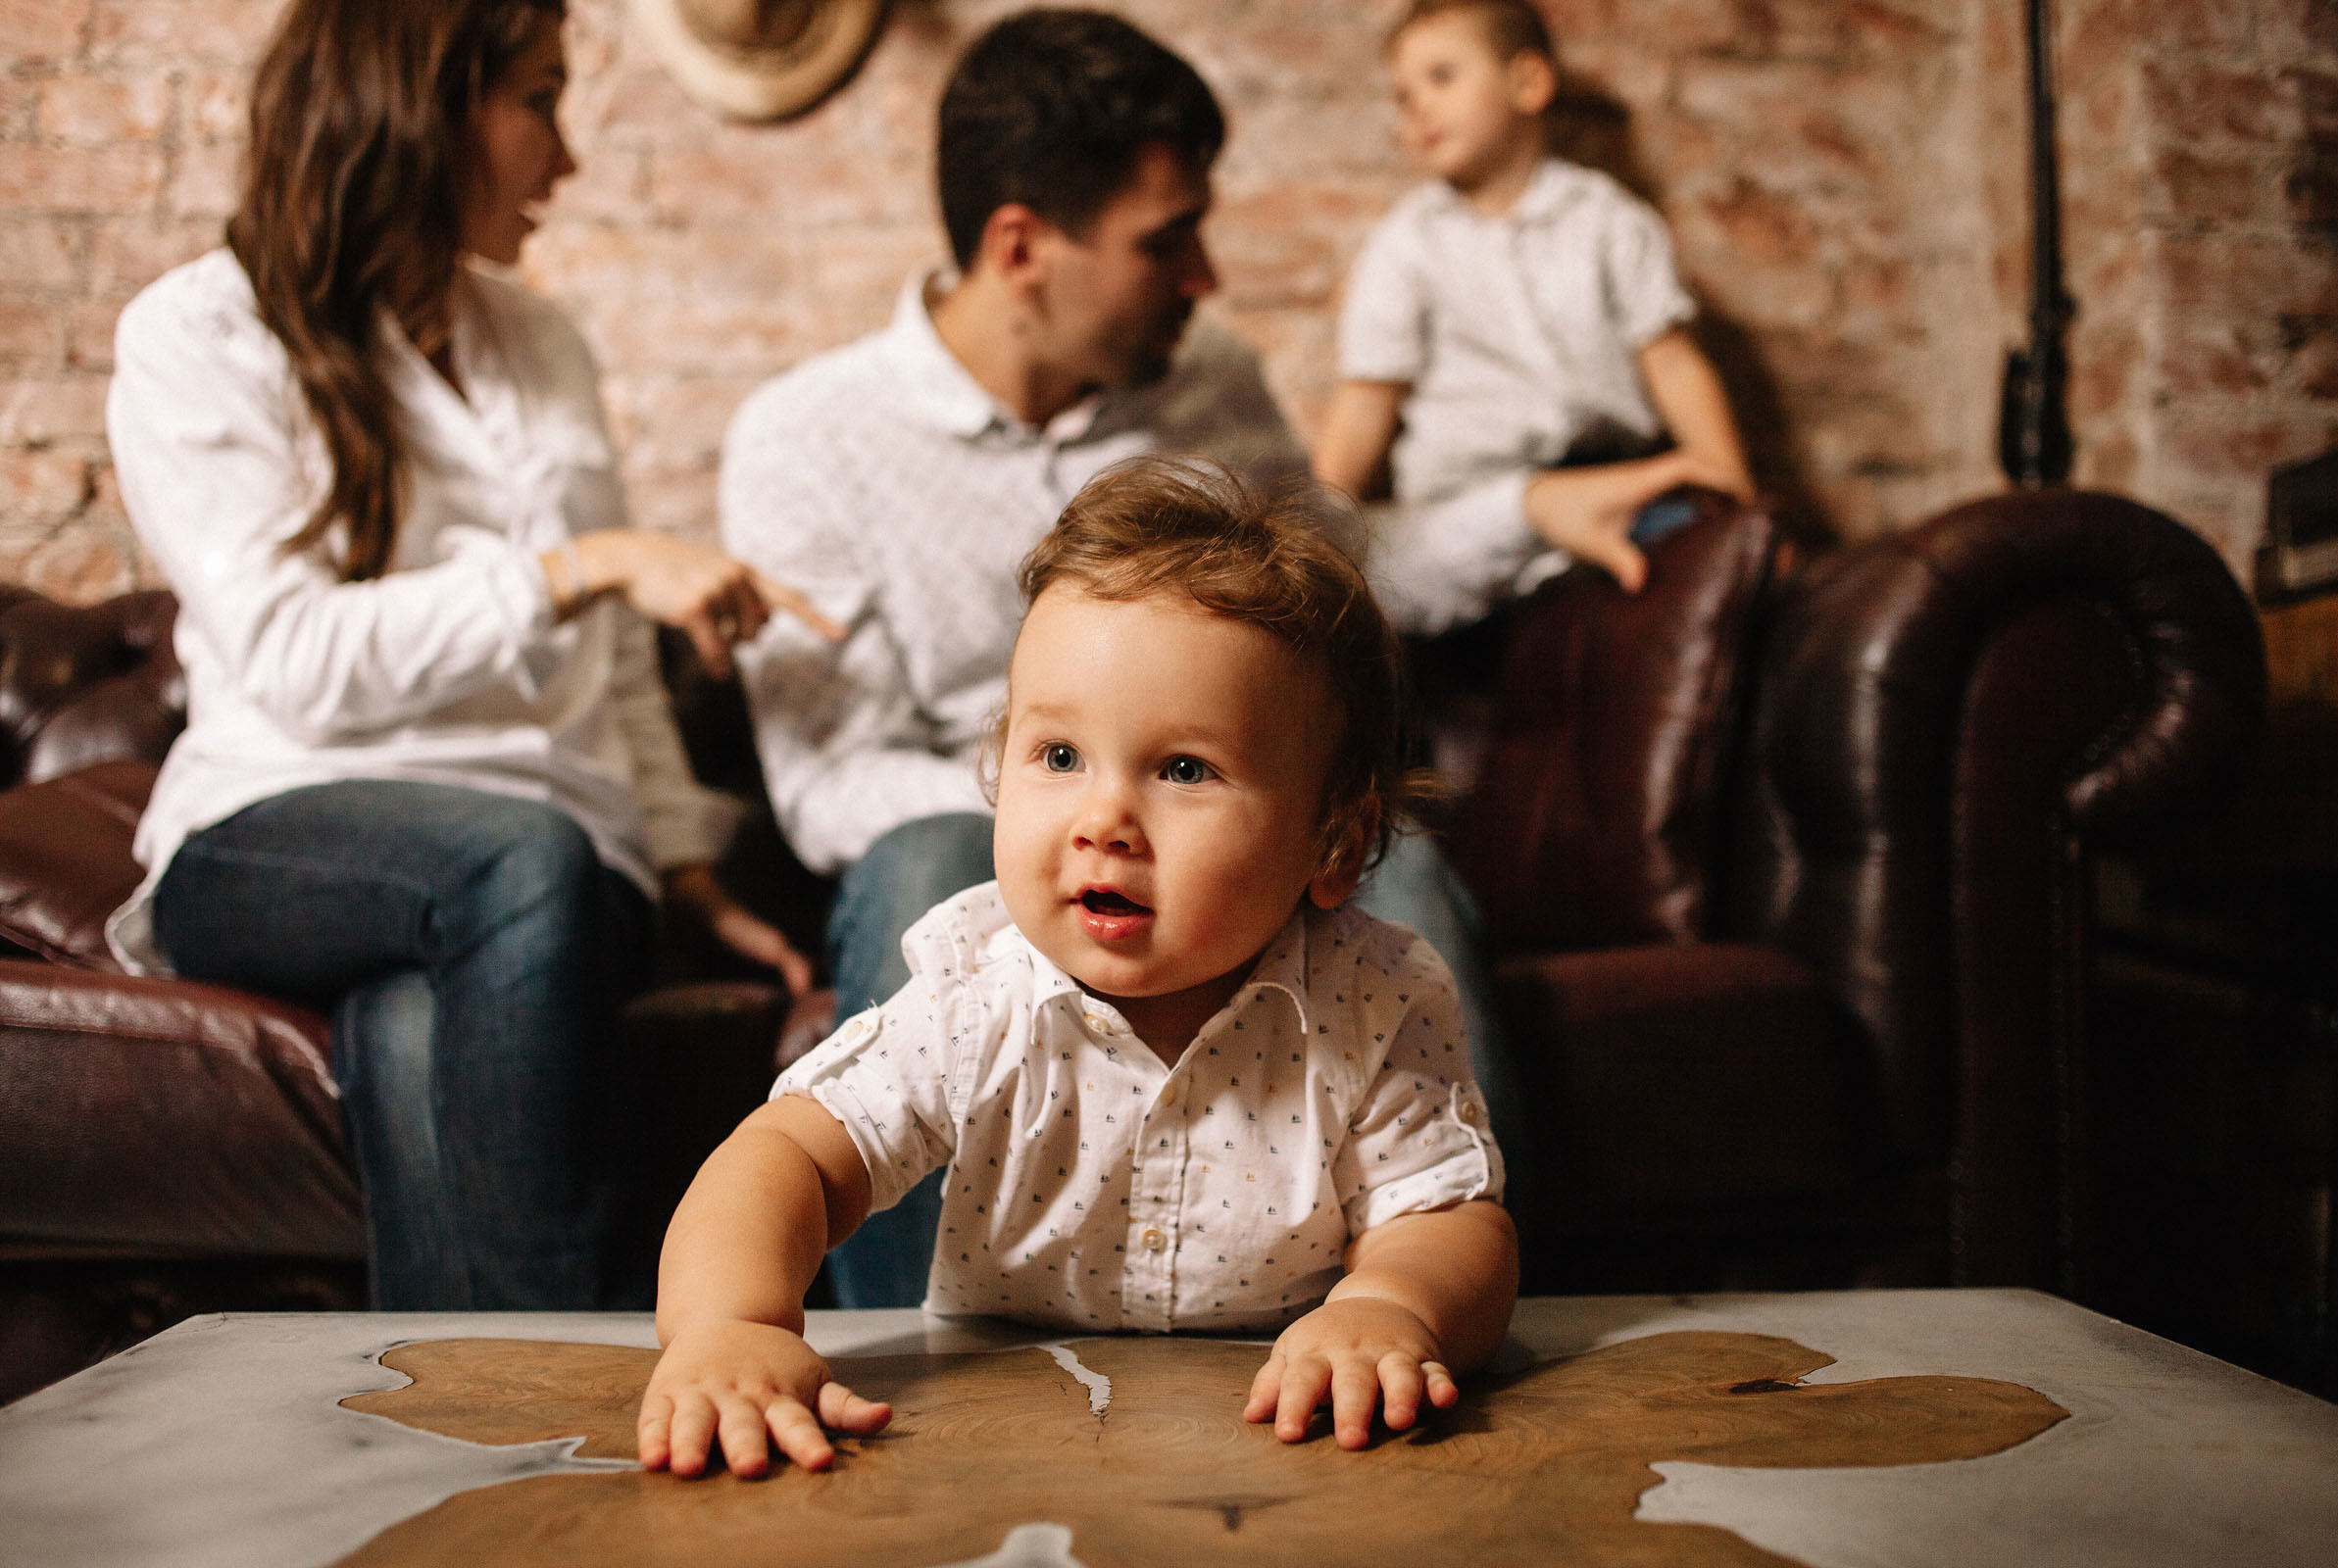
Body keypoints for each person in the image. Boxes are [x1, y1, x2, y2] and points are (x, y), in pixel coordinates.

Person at [722, 7, 1526, 1308]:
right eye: (1168, 240)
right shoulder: (803, 437)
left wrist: (1533, 513)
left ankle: (1428, 1292)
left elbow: (1342, 595)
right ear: (1022, 246)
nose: (1203, 273)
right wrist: (1050, 816)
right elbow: (828, 781)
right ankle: (879, 1354)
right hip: (957, 824)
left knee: (1398, 876)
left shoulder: (1211, 385)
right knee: (940, 870)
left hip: (1226, 797)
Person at [101, 0, 837, 1310]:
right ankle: (579, 1392)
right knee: (513, 865)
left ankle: (466, 1460)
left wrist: (682, 863)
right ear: (425, 104)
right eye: (539, 101)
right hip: (279, 835)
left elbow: (614, 660)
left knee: (423, 1013)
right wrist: (578, 566)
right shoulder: (197, 336)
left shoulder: (543, 345)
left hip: (553, 867)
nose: (566, 158)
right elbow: (292, 657)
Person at [640, 461, 1518, 1478]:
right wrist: (728, 1324)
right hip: (998, 1450)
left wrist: (1388, 1307)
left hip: (1281, 1447)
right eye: (1058, 757)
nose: (1104, 821)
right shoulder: (977, 1001)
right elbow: (785, 1156)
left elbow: (1449, 1220)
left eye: (1184, 768)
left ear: (1333, 841)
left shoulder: (1371, 1002)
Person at [1314, 0, 1755, 601]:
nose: (1416, 106)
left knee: (1714, 557)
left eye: (1441, 77)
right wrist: (1306, 540)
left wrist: (1732, 494)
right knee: (1384, 565)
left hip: (1610, 487)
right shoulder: (1405, 243)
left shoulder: (1610, 220)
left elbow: (1673, 362)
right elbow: (1366, 401)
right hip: (1467, 506)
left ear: (1528, 82)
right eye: (1401, 94)